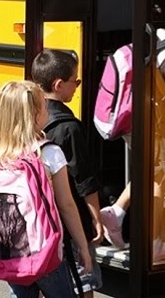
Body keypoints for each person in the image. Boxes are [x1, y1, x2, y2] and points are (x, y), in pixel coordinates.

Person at [99, 0, 165, 263]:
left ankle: (116, 211)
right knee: (157, 181)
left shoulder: (154, 34)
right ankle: (154, 244)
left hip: (135, 117)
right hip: (155, 122)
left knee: (148, 172)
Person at [0, 80, 93, 298]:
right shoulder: (48, 152)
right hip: (45, 253)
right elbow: (67, 205)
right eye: (44, 107)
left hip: (10, 250)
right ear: (35, 117)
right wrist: (83, 246)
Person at [31, 50, 104, 297]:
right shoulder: (69, 128)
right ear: (59, 85)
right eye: (76, 81)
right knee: (84, 286)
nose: (77, 86)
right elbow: (83, 180)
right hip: (71, 226)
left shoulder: (30, 120)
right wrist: (95, 219)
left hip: (41, 224)